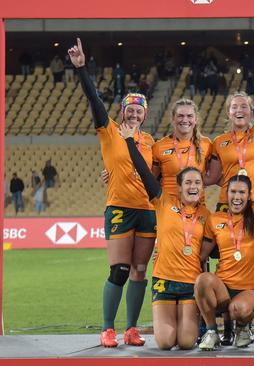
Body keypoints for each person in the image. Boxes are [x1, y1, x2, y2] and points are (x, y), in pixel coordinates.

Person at [70, 38, 156, 348]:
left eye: (138, 111)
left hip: (147, 211)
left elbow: (157, 176)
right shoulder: (109, 131)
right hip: (119, 207)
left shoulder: (149, 142)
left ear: (144, 115)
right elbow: (94, 101)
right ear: (123, 113)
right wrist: (82, 69)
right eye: (129, 110)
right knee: (119, 270)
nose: (133, 114)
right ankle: (108, 328)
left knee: (140, 270)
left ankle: (131, 329)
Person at [119, 122, 210, 350]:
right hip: (164, 281)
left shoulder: (208, 216)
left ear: (202, 188)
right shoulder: (163, 201)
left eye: (197, 183)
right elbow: (142, 170)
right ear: (178, 188)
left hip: (190, 284)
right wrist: (130, 141)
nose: (192, 187)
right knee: (166, 343)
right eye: (188, 182)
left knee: (187, 342)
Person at [195, 116, 254, 350]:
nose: (237, 197)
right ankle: (212, 331)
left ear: (248, 194)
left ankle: (243, 327)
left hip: (250, 288)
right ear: (226, 193)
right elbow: (201, 255)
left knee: (239, 309)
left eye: (242, 192)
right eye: (233, 192)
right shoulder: (216, 219)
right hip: (223, 287)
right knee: (203, 280)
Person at [206, 41, 254, 211]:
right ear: (228, 113)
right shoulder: (218, 142)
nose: (240, 110)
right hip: (227, 204)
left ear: (251, 112)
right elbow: (213, 177)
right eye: (235, 107)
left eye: (244, 106)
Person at [152, 99, 212, 199]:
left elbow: (213, 176)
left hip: (197, 207)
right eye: (180, 116)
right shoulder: (159, 147)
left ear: (196, 119)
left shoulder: (207, 144)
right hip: (168, 207)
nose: (185, 120)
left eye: (189, 116)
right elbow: (152, 180)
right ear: (173, 119)